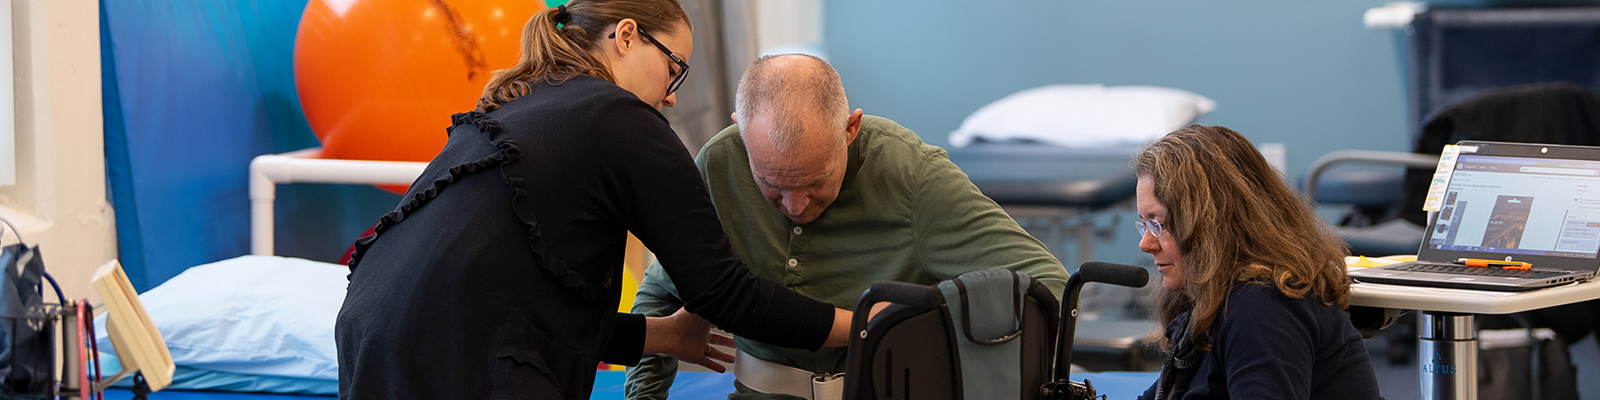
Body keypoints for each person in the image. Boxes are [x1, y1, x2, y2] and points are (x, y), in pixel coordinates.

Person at [333, 2, 858, 399]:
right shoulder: (619, 117)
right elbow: (723, 291)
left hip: (369, 338)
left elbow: (519, 307)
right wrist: (861, 324)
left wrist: (664, 336)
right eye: (675, 68)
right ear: (626, 37)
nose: (673, 94)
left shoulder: (518, 108)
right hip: (463, 354)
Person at [623, 54, 1071, 400]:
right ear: (742, 134)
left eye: (815, 182)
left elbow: (1049, 290)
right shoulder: (719, 163)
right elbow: (662, 295)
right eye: (772, 185)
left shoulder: (911, 175)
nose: (795, 205)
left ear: (850, 128)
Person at [1133, 125, 1382, 400]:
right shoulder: (1217, 296)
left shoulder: (1262, 306)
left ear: (1210, 225)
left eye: (1158, 224)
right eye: (1144, 224)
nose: (1146, 243)